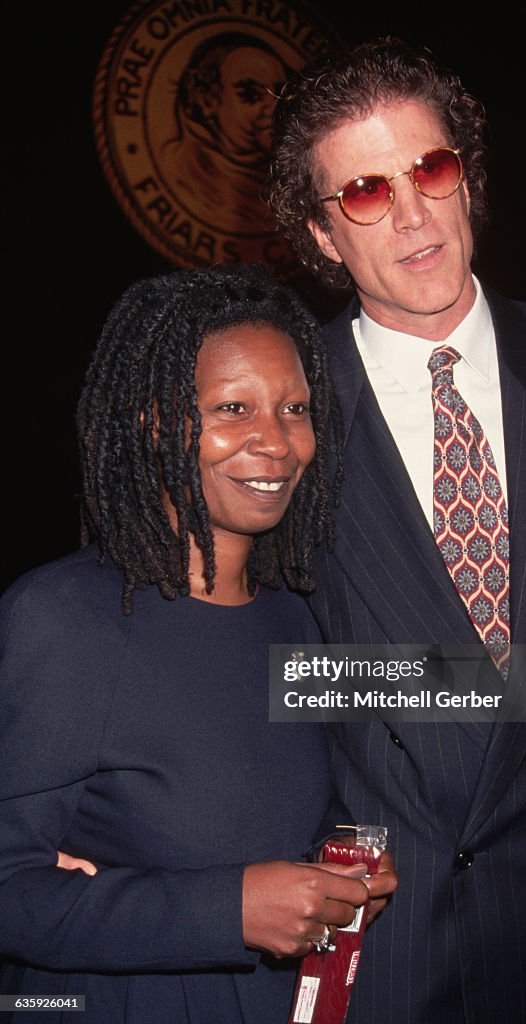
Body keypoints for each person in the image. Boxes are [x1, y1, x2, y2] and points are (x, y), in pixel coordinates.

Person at [268, 36, 526, 1024]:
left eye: (432, 168)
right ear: (323, 236)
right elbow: (268, 674)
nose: (412, 213)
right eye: (366, 191)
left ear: (467, 176)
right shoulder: (278, 409)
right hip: (390, 950)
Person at [0, 263, 397, 1024]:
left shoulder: (295, 617)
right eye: (233, 407)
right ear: (154, 422)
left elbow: (271, 814)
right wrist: (225, 909)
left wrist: (336, 874)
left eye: (294, 407)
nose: (276, 443)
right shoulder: (64, 617)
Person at [162, 33, 287, 233]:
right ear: (208, 99)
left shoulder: (292, 186)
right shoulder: (181, 177)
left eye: (279, 95)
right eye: (250, 94)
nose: (272, 108)